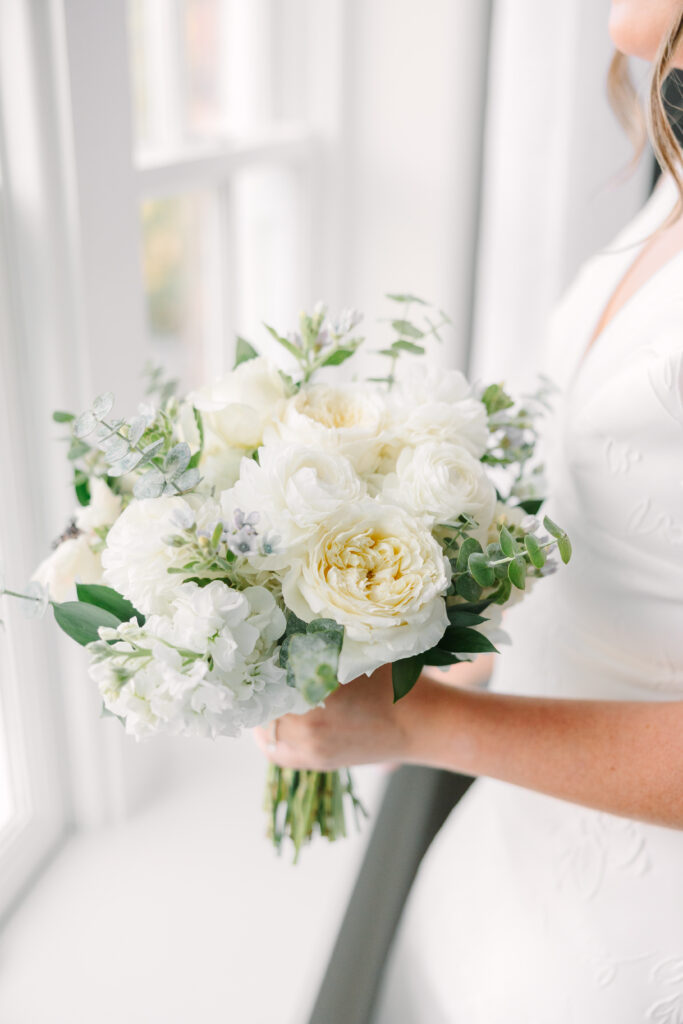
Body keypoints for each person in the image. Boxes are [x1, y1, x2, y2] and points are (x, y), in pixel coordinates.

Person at [256, 2, 683, 1019]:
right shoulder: (667, 162)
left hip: (628, 928)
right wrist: (434, 644)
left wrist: (422, 720)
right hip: (509, 842)